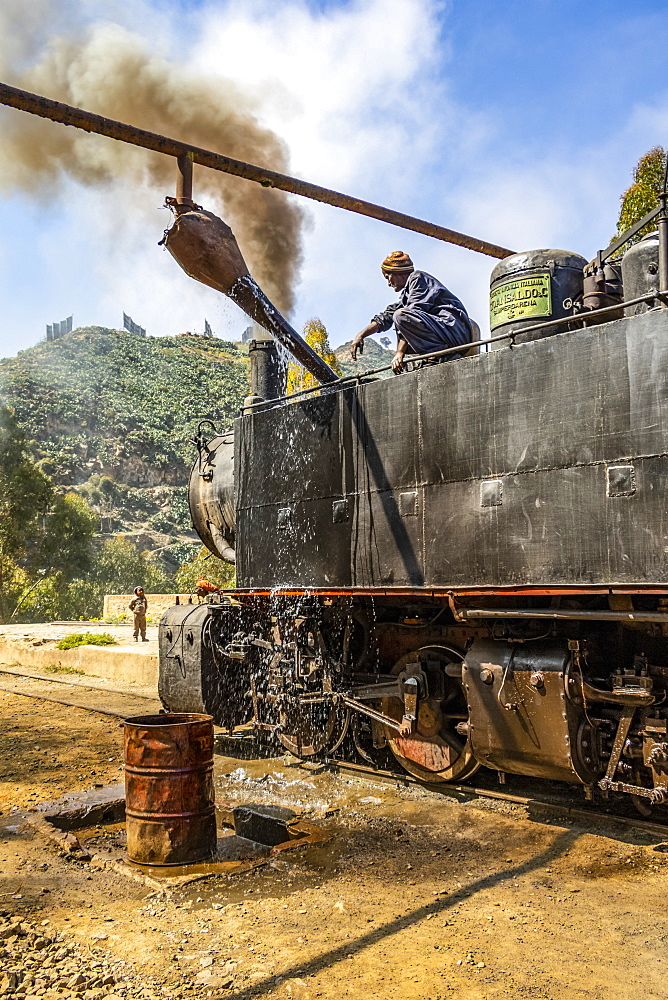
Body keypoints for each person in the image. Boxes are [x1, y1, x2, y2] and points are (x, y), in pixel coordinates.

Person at [350, 251, 472, 373]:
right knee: (399, 314)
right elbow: (387, 317)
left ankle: (436, 355)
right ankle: (434, 355)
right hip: (445, 332)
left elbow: (410, 314)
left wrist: (400, 352)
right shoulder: (407, 295)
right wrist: (361, 335)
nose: (388, 283)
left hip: (453, 331)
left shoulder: (418, 278)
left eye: (388, 277)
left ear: (398, 273)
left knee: (400, 316)